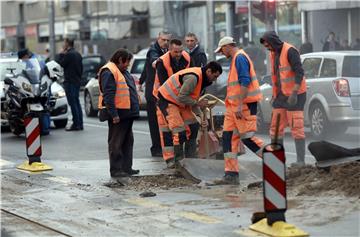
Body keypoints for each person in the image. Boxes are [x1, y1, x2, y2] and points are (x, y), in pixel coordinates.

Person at [213, 36, 264, 185]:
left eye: (222, 49)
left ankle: (275, 160)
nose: (222, 53)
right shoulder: (236, 58)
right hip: (233, 108)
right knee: (228, 137)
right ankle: (231, 174)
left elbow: (245, 81)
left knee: (248, 138)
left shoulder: (240, 58)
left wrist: (240, 104)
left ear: (228, 46)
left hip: (244, 106)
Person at [157, 62, 222, 168]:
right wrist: (198, 103)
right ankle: (178, 162)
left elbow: (192, 99)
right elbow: (182, 97)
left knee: (193, 126)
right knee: (179, 131)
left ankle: (191, 159)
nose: (215, 80)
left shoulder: (202, 80)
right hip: (168, 101)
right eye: (215, 76)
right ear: (209, 71)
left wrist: (201, 118)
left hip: (181, 103)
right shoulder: (193, 78)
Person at [260, 31, 307, 167]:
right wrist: (275, 96)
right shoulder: (273, 54)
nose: (267, 48)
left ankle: (301, 161)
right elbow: (277, 76)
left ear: (274, 42)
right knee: (275, 128)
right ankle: (277, 161)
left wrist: (294, 93)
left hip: (295, 95)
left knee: (296, 126)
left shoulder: (290, 51)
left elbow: (299, 72)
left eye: (268, 45)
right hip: (281, 96)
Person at [98, 48, 140, 178]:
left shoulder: (122, 71)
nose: (128, 65)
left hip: (127, 113)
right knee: (116, 142)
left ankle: (126, 168)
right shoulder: (109, 71)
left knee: (127, 141)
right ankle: (116, 170)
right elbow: (108, 95)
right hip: (119, 114)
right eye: (127, 62)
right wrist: (114, 114)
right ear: (120, 60)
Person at [152, 39, 193, 163]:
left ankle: (186, 155)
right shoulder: (162, 62)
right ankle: (170, 158)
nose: (179, 54)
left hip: (179, 97)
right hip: (163, 98)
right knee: (166, 128)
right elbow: (165, 87)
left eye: (180, 51)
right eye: (176, 52)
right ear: (169, 50)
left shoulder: (186, 58)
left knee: (189, 125)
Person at [140, 31, 171, 157]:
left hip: (162, 92)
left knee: (164, 121)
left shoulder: (167, 51)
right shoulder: (153, 50)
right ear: (158, 39)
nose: (166, 42)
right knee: (154, 122)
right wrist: (155, 61)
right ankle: (156, 148)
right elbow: (152, 60)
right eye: (163, 40)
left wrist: (140, 81)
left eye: (168, 40)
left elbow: (145, 69)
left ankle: (164, 146)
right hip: (153, 93)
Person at [56, 38, 83, 131]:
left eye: (64, 43)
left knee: (73, 103)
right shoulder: (78, 54)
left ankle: (76, 124)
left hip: (70, 81)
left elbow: (61, 63)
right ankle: (80, 123)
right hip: (77, 81)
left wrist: (60, 54)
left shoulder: (69, 54)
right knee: (77, 102)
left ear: (67, 44)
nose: (63, 44)